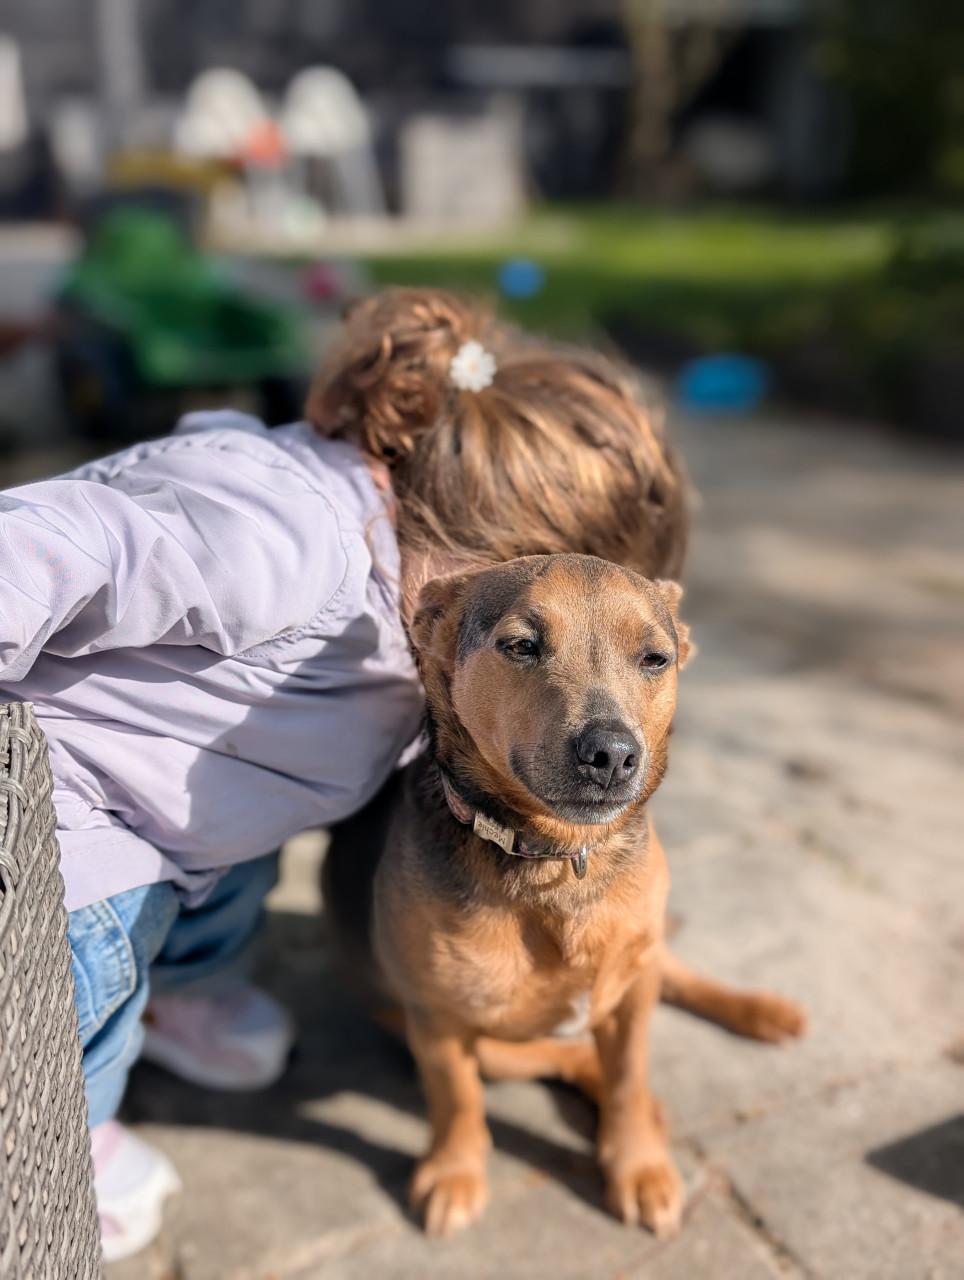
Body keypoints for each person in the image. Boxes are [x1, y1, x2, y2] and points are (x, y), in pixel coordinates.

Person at [0, 288, 687, 1261]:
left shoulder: (405, 601)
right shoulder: (284, 530)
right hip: (61, 840)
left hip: (194, 834)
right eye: (535, 629)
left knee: (236, 856)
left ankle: (181, 994)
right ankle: (74, 1139)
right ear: (477, 536)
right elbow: (51, 547)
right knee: (57, 1050)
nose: (587, 690)